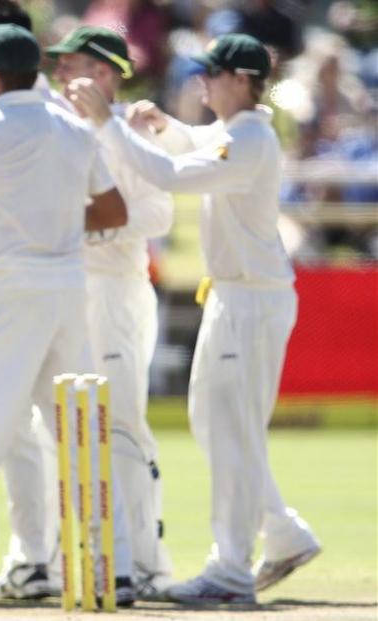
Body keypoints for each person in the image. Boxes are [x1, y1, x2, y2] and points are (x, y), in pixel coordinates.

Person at [69, 33, 321, 605]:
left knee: (232, 430)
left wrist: (109, 124)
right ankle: (282, 532)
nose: (201, 82)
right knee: (214, 422)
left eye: (212, 73)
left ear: (240, 79)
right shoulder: (235, 134)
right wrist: (164, 126)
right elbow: (195, 145)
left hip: (251, 300)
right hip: (236, 297)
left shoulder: (251, 139)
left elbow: (174, 176)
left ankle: (232, 569)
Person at [0, 24, 128, 607]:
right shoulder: (73, 129)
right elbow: (114, 208)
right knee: (78, 433)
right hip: (66, 288)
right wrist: (56, 221)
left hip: (4, 292)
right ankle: (104, 569)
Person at [48, 25, 175, 598]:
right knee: (59, 427)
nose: (57, 73)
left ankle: (145, 561)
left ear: (104, 73)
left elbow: (158, 218)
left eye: (69, 64)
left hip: (117, 289)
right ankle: (65, 560)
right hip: (64, 289)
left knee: (121, 423)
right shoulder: (54, 126)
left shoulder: (129, 131)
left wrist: (91, 227)